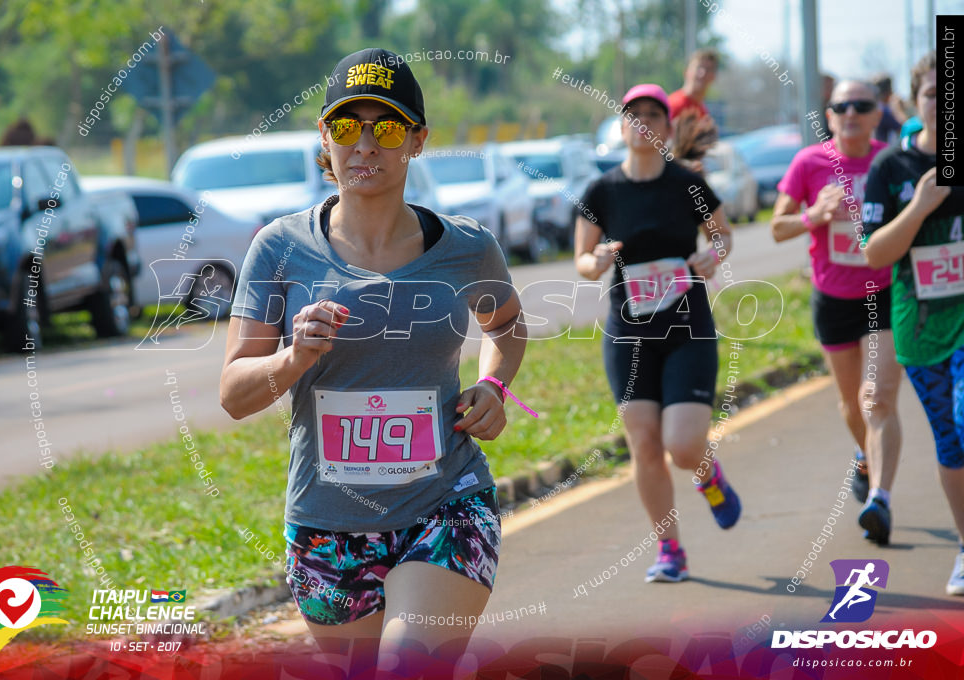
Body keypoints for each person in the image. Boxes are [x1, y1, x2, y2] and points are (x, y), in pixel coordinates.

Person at [220, 47, 529, 675]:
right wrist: (292, 357)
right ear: (325, 140)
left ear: (416, 140)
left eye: (385, 128)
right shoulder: (278, 248)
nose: (365, 145)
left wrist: (494, 383)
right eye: (346, 127)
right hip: (326, 524)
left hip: (445, 503)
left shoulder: (466, 248)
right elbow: (233, 393)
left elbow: (508, 323)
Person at [575, 83, 740, 583]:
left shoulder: (685, 182)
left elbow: (723, 234)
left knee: (684, 445)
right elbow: (582, 259)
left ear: (667, 127)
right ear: (622, 127)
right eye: (633, 114)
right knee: (645, 445)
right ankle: (670, 550)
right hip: (629, 333)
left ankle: (708, 475)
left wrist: (714, 254)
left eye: (654, 114)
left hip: (687, 326)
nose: (643, 121)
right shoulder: (601, 192)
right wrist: (596, 259)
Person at [771, 79, 902, 545]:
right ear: (829, 116)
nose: (850, 112)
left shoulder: (891, 160)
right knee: (852, 405)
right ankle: (863, 457)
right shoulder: (810, 163)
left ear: (876, 114)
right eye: (840, 106)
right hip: (833, 298)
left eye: (861, 105)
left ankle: (879, 501)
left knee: (877, 398)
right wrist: (814, 216)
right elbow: (777, 228)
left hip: (884, 292)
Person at [862, 51, 964, 596]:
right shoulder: (891, 169)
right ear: (917, 103)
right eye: (933, 95)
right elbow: (876, 254)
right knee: (951, 445)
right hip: (921, 327)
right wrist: (921, 206)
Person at [667, 49, 718, 121]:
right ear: (686, 72)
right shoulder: (671, 106)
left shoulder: (704, 114)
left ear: (713, 77)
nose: (703, 74)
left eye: (708, 69)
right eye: (698, 67)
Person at [872, 73, 907, 145]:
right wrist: (898, 109)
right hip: (882, 151)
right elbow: (907, 129)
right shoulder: (884, 111)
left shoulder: (874, 108)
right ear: (889, 92)